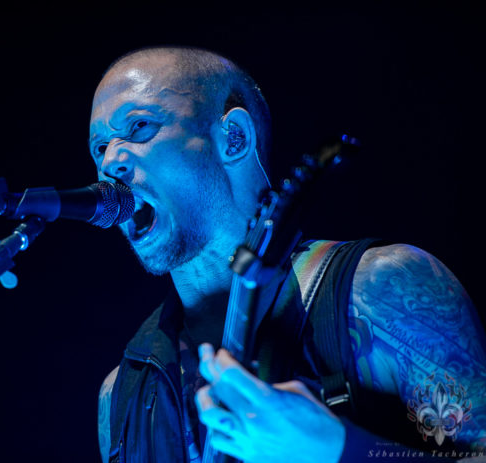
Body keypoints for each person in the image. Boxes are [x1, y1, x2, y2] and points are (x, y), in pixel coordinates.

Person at [90, 46, 486, 462]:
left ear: (234, 137)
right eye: (98, 148)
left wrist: (340, 449)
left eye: (139, 126)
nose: (109, 162)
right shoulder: (120, 396)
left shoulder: (384, 290)